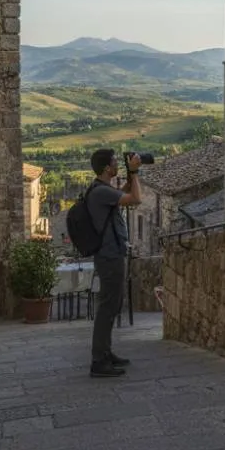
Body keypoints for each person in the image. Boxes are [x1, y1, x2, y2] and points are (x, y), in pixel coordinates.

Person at [87, 148, 142, 378]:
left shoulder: (101, 190)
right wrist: (135, 172)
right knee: (108, 306)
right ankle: (99, 360)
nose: (116, 164)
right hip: (109, 255)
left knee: (111, 305)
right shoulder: (101, 192)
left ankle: (105, 353)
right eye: (114, 162)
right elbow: (135, 199)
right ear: (107, 168)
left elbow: (124, 195)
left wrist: (130, 175)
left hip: (110, 253)